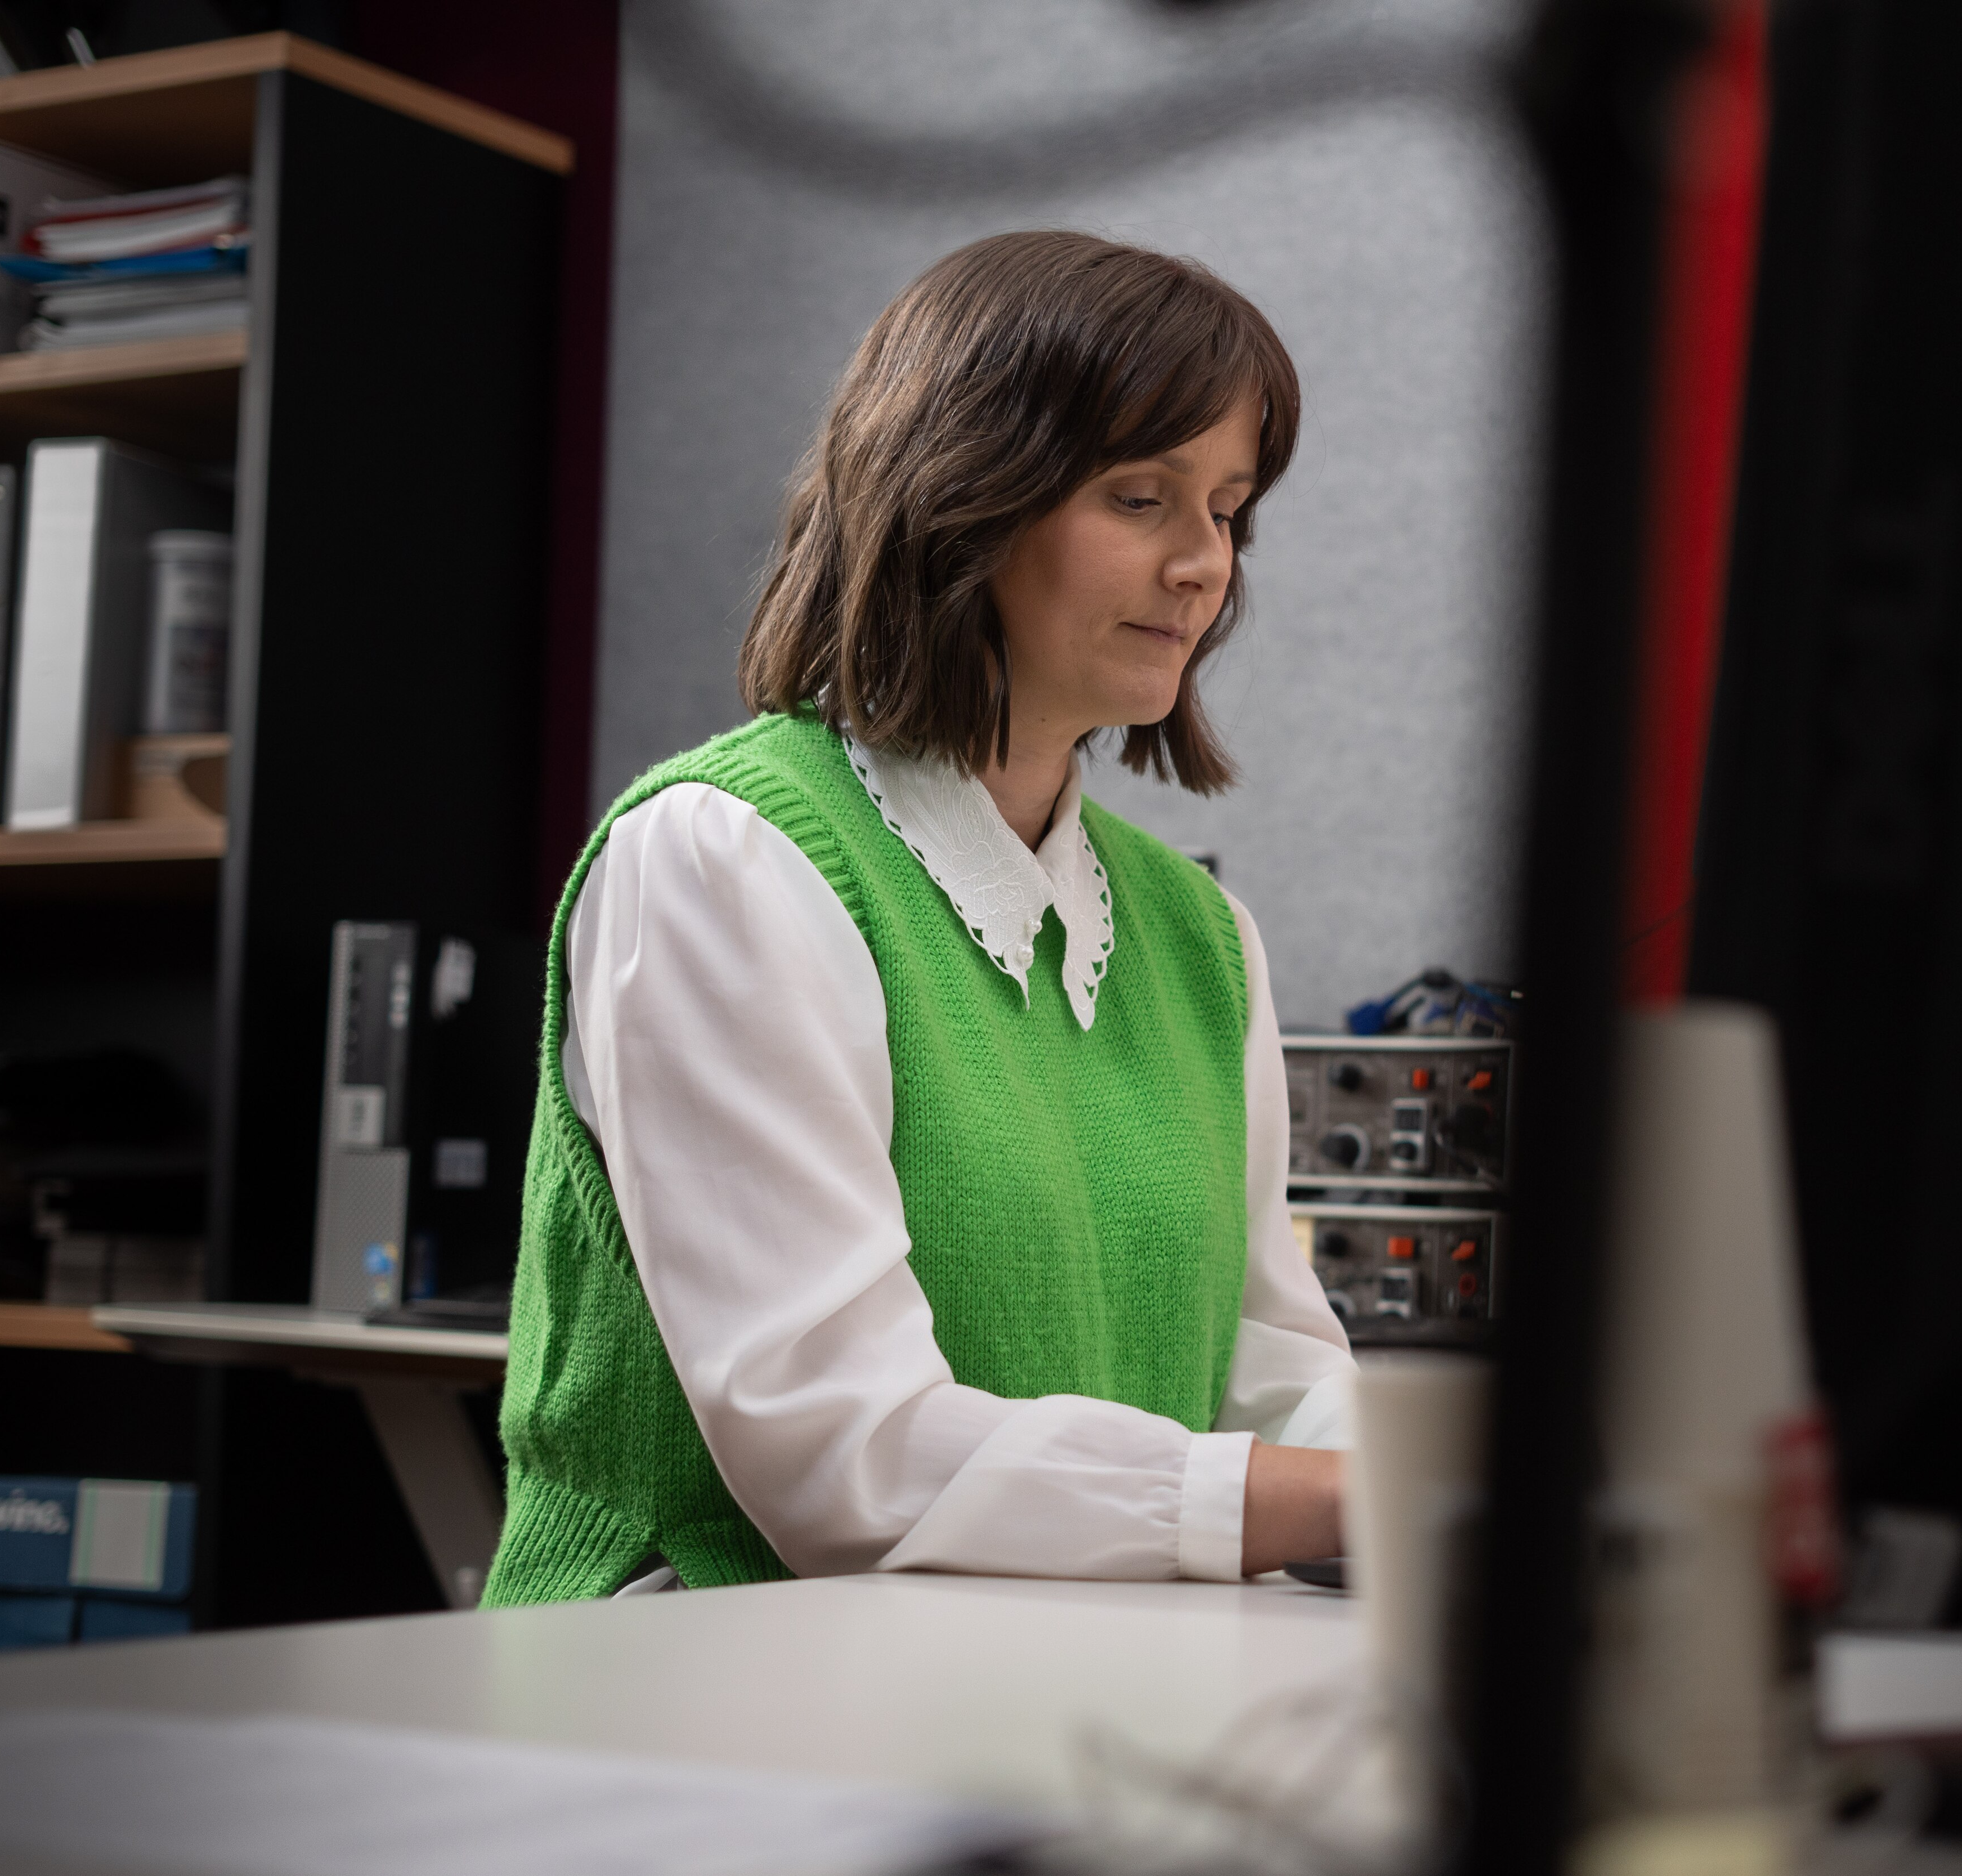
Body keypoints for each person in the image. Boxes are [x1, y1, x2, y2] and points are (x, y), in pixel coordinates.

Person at [481, 231, 1357, 1604]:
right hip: (703, 1695)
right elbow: (843, 1447)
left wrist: (1424, 1482)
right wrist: (1341, 1500)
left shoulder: (1201, 936)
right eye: (1143, 497)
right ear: (963, 500)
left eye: (1230, 508)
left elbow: (1270, 1368)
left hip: (1063, 1676)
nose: (1207, 565)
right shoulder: (726, 859)